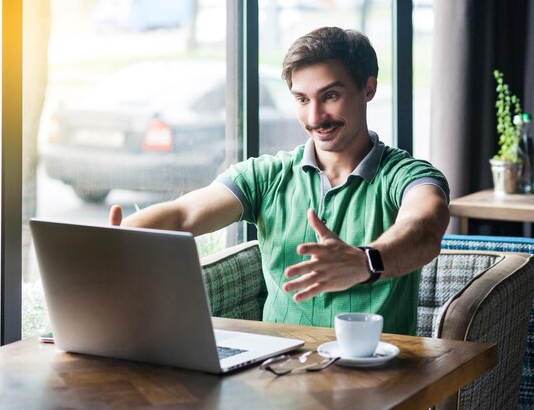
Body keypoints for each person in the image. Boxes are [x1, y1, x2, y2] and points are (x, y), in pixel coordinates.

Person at [109, 26, 450, 335]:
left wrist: (365, 262)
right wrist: (117, 237)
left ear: (368, 88)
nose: (315, 117)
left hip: (378, 379)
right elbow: (183, 215)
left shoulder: (407, 175)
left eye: (330, 96)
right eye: (302, 100)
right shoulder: (265, 176)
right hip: (277, 372)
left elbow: (424, 228)